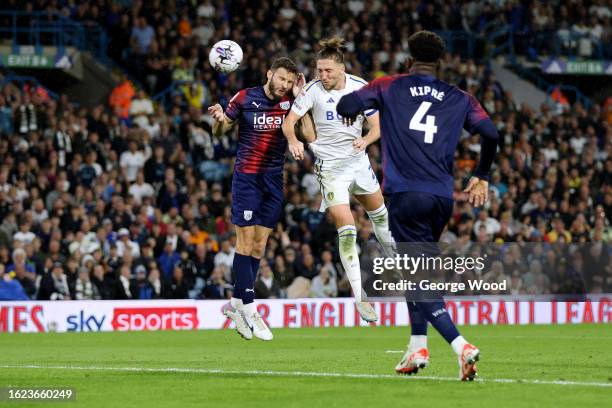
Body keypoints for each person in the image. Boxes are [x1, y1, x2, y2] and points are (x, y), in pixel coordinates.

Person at [337, 31, 499, 381]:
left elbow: (345, 106)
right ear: (439, 63)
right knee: (419, 273)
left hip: (405, 195)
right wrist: (482, 175)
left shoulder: (389, 85)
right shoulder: (460, 97)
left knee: (414, 274)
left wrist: (353, 108)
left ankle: (460, 346)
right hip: (441, 198)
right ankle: (417, 347)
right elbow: (491, 135)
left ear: (407, 59)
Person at [282, 37, 396, 323]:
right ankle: (360, 298)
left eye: (328, 71)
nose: (323, 76)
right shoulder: (311, 90)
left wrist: (366, 139)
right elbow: (288, 123)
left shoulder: (360, 87)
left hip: (358, 162)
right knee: (347, 229)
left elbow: (378, 126)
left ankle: (396, 261)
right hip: (330, 168)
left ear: (341, 69)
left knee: (380, 219)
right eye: (319, 70)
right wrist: (294, 140)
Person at [207, 57, 305, 341]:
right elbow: (221, 130)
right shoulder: (245, 97)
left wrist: (300, 100)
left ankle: (235, 304)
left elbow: (309, 134)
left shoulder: (290, 102)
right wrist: (219, 119)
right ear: (269, 73)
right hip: (247, 178)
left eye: (289, 81)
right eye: (282, 79)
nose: (284, 85)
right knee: (245, 243)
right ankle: (250, 308)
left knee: (259, 246)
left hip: (274, 180)